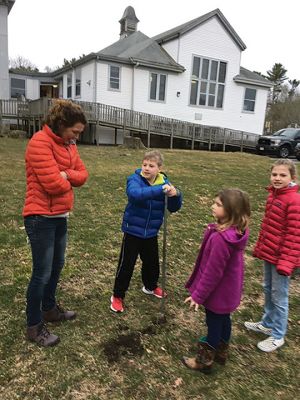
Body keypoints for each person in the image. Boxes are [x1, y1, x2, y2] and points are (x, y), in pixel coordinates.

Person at [23, 99, 88, 347]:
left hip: (60, 215)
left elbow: (82, 175)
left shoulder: (69, 144)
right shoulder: (39, 142)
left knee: (57, 265)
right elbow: (53, 184)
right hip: (40, 218)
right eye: (75, 131)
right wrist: (66, 177)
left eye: (79, 133)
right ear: (61, 124)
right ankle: (34, 325)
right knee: (42, 273)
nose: (77, 137)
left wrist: (67, 174)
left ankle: (49, 309)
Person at [182, 189, 250, 373]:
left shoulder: (222, 239)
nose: (213, 206)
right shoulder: (235, 231)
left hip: (218, 293)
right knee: (224, 320)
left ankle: (204, 362)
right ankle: (221, 352)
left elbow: (213, 273)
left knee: (213, 325)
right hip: (229, 291)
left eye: (218, 205)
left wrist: (198, 296)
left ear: (232, 211)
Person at [110, 150, 182, 313]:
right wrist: (159, 190)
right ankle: (117, 295)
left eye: (151, 165)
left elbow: (173, 207)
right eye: (144, 164)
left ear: (159, 168)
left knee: (152, 263)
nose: (147, 168)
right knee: (126, 264)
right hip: (133, 230)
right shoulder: (135, 179)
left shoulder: (164, 182)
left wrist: (175, 194)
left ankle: (150, 286)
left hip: (151, 231)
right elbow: (135, 195)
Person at [244, 159, 300, 352]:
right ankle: (267, 323)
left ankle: (278, 335)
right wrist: (262, 247)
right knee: (268, 288)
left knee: (279, 295)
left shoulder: (294, 201)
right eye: (274, 174)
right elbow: (270, 227)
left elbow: (294, 236)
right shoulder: (274, 196)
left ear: (292, 178)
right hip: (270, 253)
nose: (277, 178)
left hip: (283, 257)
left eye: (282, 175)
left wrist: (286, 262)